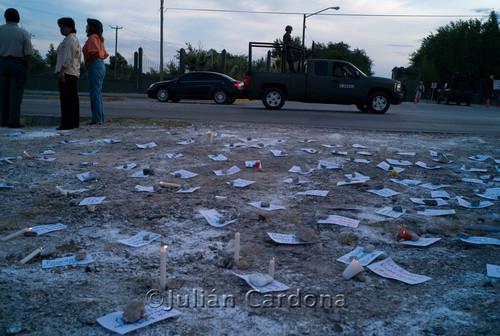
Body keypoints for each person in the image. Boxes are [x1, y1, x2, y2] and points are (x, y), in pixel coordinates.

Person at [0, 8, 33, 128]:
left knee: (3, 93)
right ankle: (13, 121)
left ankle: (3, 120)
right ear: (18, 19)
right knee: (16, 94)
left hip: (2, 62)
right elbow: (28, 52)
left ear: (5, 17)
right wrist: (26, 66)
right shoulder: (23, 32)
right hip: (17, 63)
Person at [55, 18, 81, 130]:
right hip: (71, 71)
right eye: (60, 27)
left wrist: (62, 71)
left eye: (64, 27)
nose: (61, 29)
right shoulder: (70, 39)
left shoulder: (71, 39)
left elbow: (68, 57)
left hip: (67, 72)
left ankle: (67, 123)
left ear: (70, 27)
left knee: (67, 100)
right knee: (72, 98)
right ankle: (73, 122)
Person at [83, 18, 108, 125]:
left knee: (94, 93)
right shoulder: (99, 39)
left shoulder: (93, 37)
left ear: (92, 27)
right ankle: (100, 118)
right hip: (100, 64)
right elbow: (104, 54)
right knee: (97, 93)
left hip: (95, 64)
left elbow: (94, 53)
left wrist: (87, 62)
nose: (86, 27)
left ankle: (97, 119)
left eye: (87, 25)